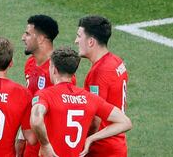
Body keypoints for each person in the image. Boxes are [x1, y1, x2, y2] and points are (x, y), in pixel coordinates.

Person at [30, 47, 132, 157]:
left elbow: (36, 120)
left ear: (53, 69)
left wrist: (45, 145)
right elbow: (126, 122)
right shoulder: (90, 98)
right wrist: (91, 138)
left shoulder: (45, 95)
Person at [17, 14, 76, 156]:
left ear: (41, 38)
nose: (23, 38)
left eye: (27, 34)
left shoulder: (60, 73)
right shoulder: (30, 64)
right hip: (30, 146)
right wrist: (21, 139)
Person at [75, 15, 129, 157]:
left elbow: (95, 120)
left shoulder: (99, 72)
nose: (76, 41)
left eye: (79, 36)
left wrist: (82, 144)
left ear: (91, 41)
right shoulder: (117, 61)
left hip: (102, 149)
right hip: (117, 144)